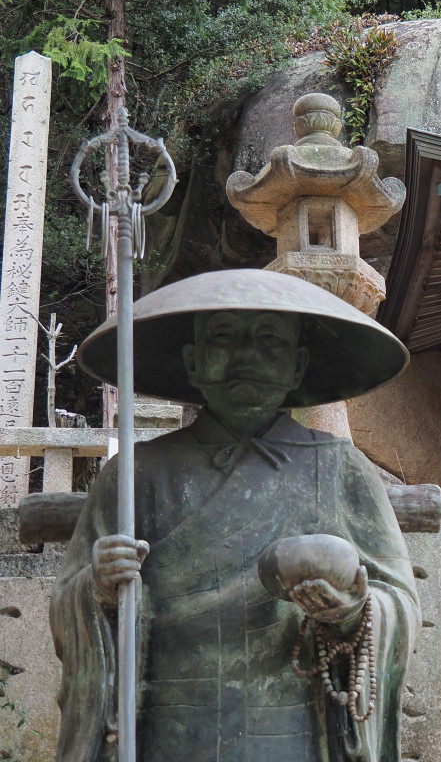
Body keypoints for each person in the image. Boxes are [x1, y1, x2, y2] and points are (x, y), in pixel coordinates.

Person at [51, 270, 419, 761]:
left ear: (298, 365)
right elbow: (66, 599)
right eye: (223, 336)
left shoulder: (339, 467)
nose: (246, 354)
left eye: (270, 339)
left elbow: (401, 602)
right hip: (166, 728)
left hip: (293, 727)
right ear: (193, 360)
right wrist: (96, 588)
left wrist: (353, 611)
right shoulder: (136, 473)